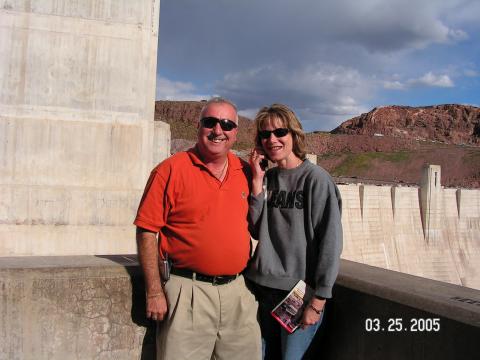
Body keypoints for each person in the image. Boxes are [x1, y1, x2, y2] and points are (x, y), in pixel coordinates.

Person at [134, 97, 261, 360]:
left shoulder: (245, 172)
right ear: (199, 126)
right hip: (187, 292)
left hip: (238, 292)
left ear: (235, 133)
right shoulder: (170, 170)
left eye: (226, 124)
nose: (218, 130)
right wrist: (154, 291)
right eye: (210, 122)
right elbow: (147, 232)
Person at [245, 104, 343, 360]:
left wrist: (319, 301)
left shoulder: (316, 180)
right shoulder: (268, 178)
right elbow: (256, 230)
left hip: (298, 296)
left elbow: (330, 243)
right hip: (259, 288)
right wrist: (256, 184)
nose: (272, 140)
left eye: (280, 132)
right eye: (265, 135)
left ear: (294, 135)